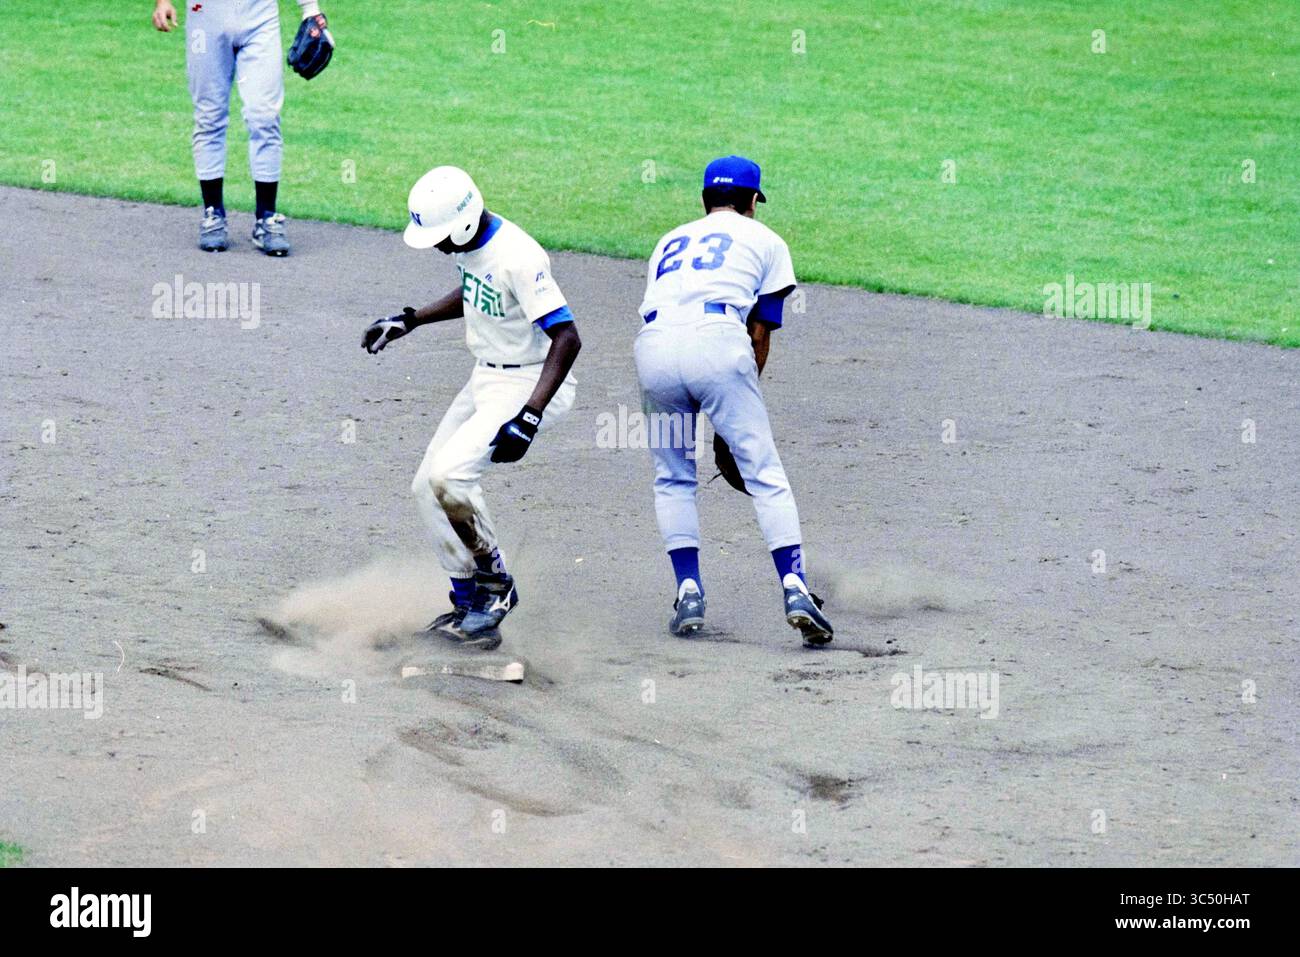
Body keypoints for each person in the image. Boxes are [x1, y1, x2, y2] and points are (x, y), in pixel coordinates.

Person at [361, 166, 582, 650]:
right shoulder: (475, 245)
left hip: (526, 381)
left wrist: (529, 414)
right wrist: (410, 320)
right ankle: (468, 599)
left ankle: (496, 585)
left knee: (451, 476)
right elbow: (476, 291)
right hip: (486, 376)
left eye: (440, 237)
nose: (437, 247)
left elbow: (567, 336)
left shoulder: (520, 257)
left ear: (461, 224)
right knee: (426, 486)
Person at [634, 155, 834, 646]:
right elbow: (759, 331)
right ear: (750, 201)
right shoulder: (766, 240)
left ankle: (688, 593)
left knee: (673, 476)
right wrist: (729, 424)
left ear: (705, 200)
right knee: (764, 472)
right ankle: (795, 588)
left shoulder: (668, 239)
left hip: (653, 348)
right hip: (718, 341)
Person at [151, 0, 334, 255]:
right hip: (204, 16)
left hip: (260, 17)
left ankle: (267, 218)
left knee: (265, 116)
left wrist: (310, 9)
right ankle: (213, 214)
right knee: (209, 116)